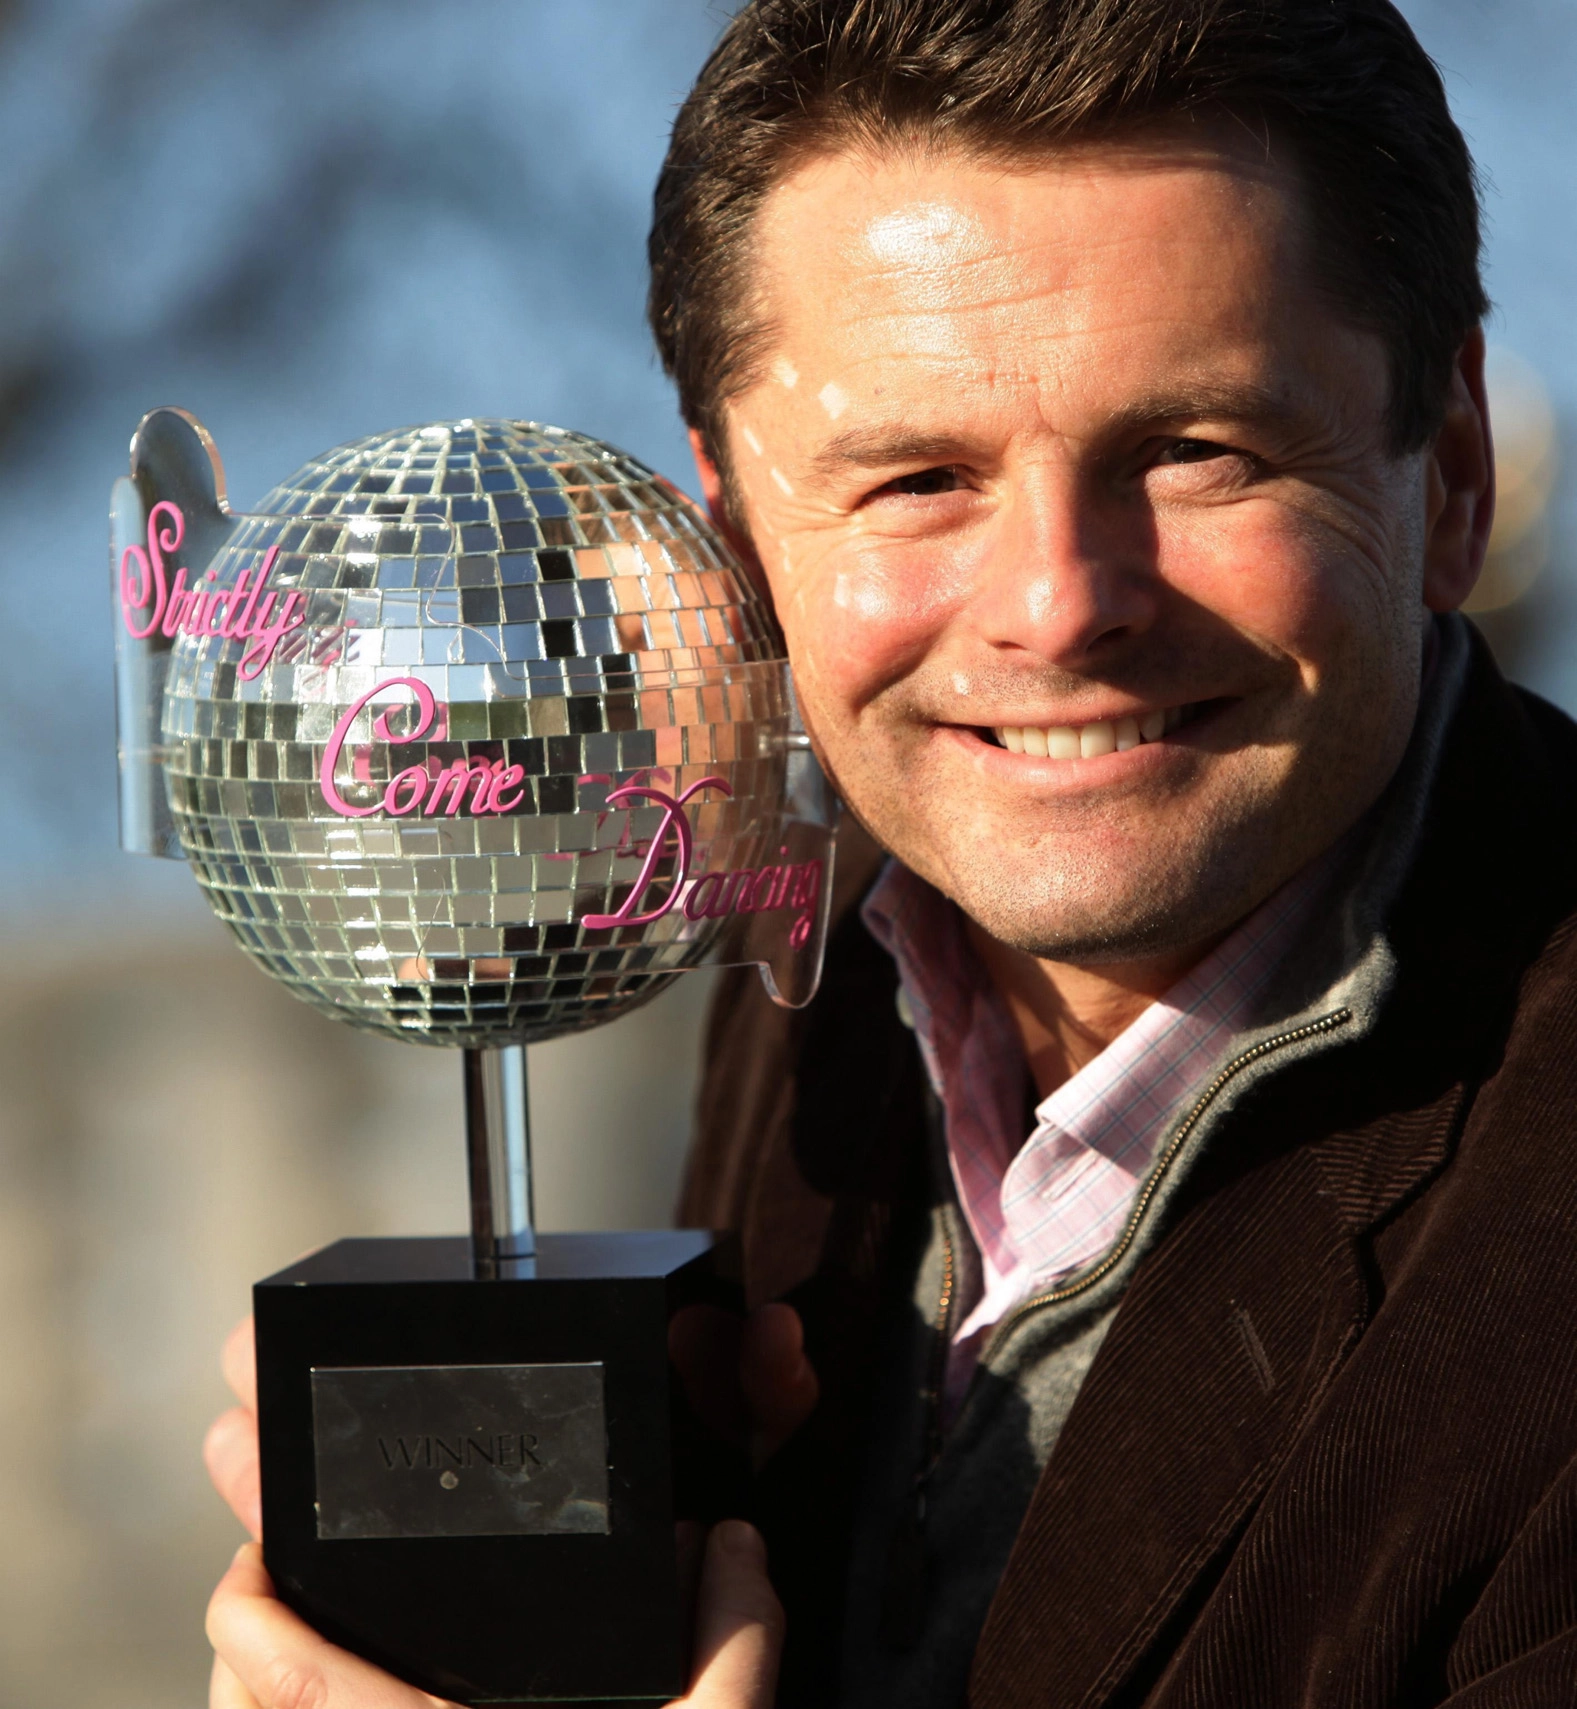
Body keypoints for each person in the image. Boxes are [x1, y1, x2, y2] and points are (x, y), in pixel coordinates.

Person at [205, 0, 1577, 1703]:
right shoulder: (829, 971)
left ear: (1451, 474)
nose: (1058, 604)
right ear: (734, 549)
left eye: (1194, 451)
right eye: (919, 478)